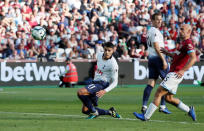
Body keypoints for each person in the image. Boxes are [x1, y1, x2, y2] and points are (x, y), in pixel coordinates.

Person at [133, 24, 197, 121]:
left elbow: (193, 58)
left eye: (182, 29)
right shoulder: (183, 43)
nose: (180, 31)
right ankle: (189, 110)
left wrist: (183, 70)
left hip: (175, 74)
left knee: (158, 92)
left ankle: (146, 116)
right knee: (169, 98)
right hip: (174, 73)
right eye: (180, 29)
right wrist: (167, 53)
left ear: (189, 32)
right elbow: (177, 57)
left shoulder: (188, 43)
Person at [77, 42, 121, 119]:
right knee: (85, 110)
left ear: (112, 51)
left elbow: (115, 82)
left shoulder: (113, 64)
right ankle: (110, 112)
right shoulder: (99, 55)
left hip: (102, 84)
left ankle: (94, 112)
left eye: (109, 50)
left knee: (80, 92)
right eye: (106, 50)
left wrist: (104, 91)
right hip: (95, 83)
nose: (107, 52)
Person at [140, 12, 171, 114]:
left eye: (161, 20)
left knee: (151, 82)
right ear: (152, 21)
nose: (159, 21)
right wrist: (163, 60)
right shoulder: (155, 32)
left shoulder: (150, 31)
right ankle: (162, 106)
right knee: (167, 82)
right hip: (158, 59)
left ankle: (144, 106)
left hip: (151, 59)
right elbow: (157, 47)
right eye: (157, 19)